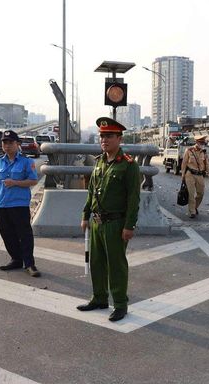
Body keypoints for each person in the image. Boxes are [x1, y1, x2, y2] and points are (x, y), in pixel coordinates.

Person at [78, 117, 141, 322]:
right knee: (97, 263)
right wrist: (85, 215)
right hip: (97, 222)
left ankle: (120, 303)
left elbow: (133, 198)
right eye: (102, 136)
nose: (104, 140)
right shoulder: (99, 162)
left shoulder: (128, 165)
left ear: (119, 138)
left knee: (116, 265)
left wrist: (129, 225)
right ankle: (99, 298)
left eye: (109, 136)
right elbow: (91, 192)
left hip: (116, 223)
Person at [0, 130, 40, 277]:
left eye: (10, 142)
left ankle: (30, 264)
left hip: (19, 204)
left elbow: (33, 180)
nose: (7, 145)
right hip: (2, 204)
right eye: (5, 142)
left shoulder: (26, 161)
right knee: (7, 234)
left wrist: (15, 182)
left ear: (18, 144)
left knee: (25, 235)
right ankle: (16, 259)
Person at [181, 135, 209, 218]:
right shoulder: (189, 150)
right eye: (201, 142)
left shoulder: (204, 152)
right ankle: (192, 212)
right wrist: (183, 175)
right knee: (191, 194)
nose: (202, 144)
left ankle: (194, 207)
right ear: (197, 142)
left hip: (199, 175)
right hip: (190, 174)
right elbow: (184, 163)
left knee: (200, 193)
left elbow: (206, 165)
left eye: (203, 142)